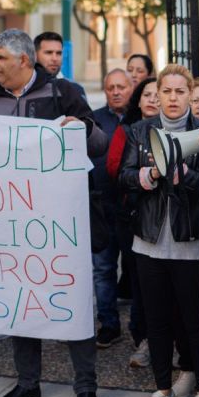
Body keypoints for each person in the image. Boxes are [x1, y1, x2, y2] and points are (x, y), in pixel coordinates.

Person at [0, 29, 107, 397]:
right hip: (13, 225)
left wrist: (82, 129)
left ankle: (86, 387)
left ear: (23, 60)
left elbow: (98, 145)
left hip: (62, 224)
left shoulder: (63, 93)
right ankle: (28, 382)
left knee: (74, 300)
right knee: (21, 302)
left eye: (0, 58)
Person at [120, 64, 199, 397]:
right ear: (157, 94)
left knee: (194, 321)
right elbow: (123, 176)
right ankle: (163, 389)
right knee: (157, 321)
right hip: (149, 242)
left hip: (190, 243)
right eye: (167, 91)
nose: (173, 98)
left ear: (190, 94)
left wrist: (186, 176)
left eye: (180, 92)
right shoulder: (139, 131)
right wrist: (148, 175)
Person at [106, 76, 159, 366]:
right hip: (132, 216)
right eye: (147, 94)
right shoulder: (127, 130)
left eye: (157, 94)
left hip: (163, 219)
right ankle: (142, 339)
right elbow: (115, 169)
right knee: (140, 281)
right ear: (137, 100)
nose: (153, 99)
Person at [90, 69, 132, 348]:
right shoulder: (94, 120)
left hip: (131, 210)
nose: (116, 92)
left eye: (121, 87)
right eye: (110, 88)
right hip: (102, 208)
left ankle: (141, 329)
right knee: (103, 269)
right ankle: (108, 324)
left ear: (131, 88)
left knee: (136, 271)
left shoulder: (139, 118)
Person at [33, 32, 87, 98]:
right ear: (35, 55)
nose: (55, 58)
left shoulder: (74, 90)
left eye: (59, 53)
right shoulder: (25, 88)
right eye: (49, 53)